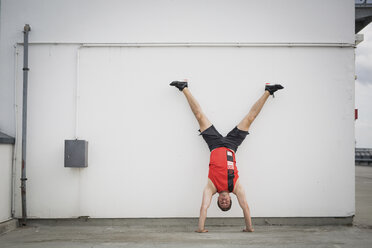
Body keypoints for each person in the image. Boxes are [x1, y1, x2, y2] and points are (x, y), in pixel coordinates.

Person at [170, 80, 284, 233]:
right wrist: (249, 228)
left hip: (214, 144)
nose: (224, 201)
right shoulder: (236, 187)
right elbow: (246, 207)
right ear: (231, 199)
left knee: (199, 115)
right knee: (250, 119)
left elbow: (204, 207)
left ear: (217, 199)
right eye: (227, 203)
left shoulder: (211, 188)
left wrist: (201, 229)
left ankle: (183, 88)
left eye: (221, 203)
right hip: (232, 145)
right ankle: (268, 91)